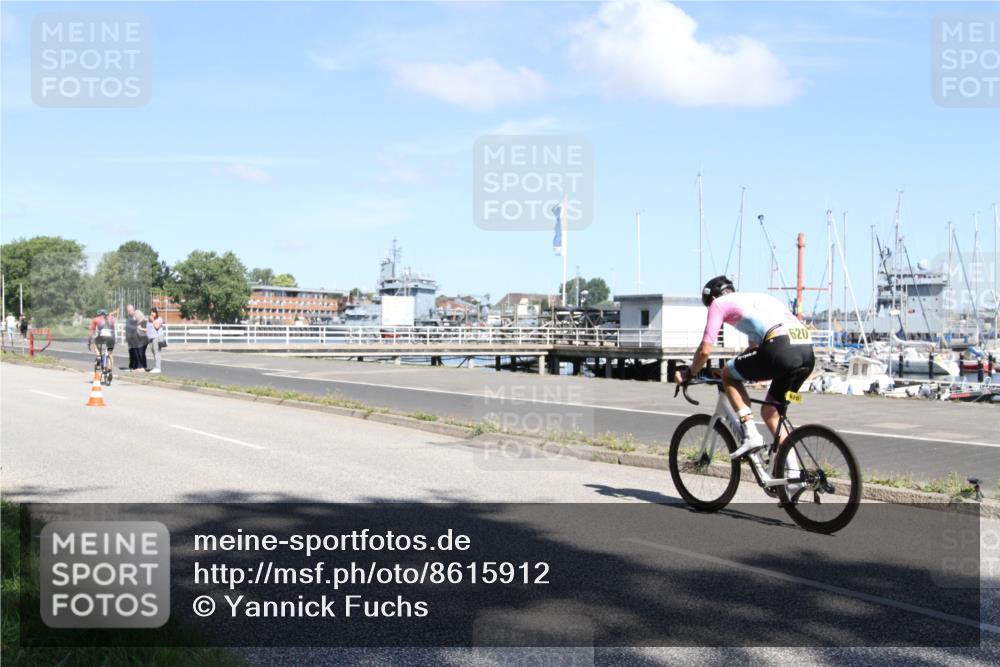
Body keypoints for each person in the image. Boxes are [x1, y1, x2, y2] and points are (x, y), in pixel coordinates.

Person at [674, 276, 816, 459]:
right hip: (806, 352)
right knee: (771, 412)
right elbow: (754, 352)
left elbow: (704, 350)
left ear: (712, 299)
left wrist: (689, 373)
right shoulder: (758, 299)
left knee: (728, 375)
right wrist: (738, 369)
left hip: (780, 348)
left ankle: (751, 435)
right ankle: (794, 473)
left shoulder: (718, 304)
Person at [146, 307, 164, 373]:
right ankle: (156, 366)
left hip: (157, 337)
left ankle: (158, 368)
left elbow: (157, 326)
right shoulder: (149, 320)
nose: (152, 313)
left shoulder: (159, 319)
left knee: (157, 352)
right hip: (150, 338)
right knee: (154, 352)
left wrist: (153, 320)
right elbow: (148, 329)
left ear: (156, 313)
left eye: (153, 312)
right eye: (151, 312)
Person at [125, 304, 139, 371]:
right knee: (131, 352)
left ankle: (136, 366)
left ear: (133, 309)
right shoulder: (128, 317)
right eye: (128, 310)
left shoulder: (136, 316)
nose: (129, 311)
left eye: (130, 310)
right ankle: (131, 366)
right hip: (130, 338)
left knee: (135, 352)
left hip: (135, 337)